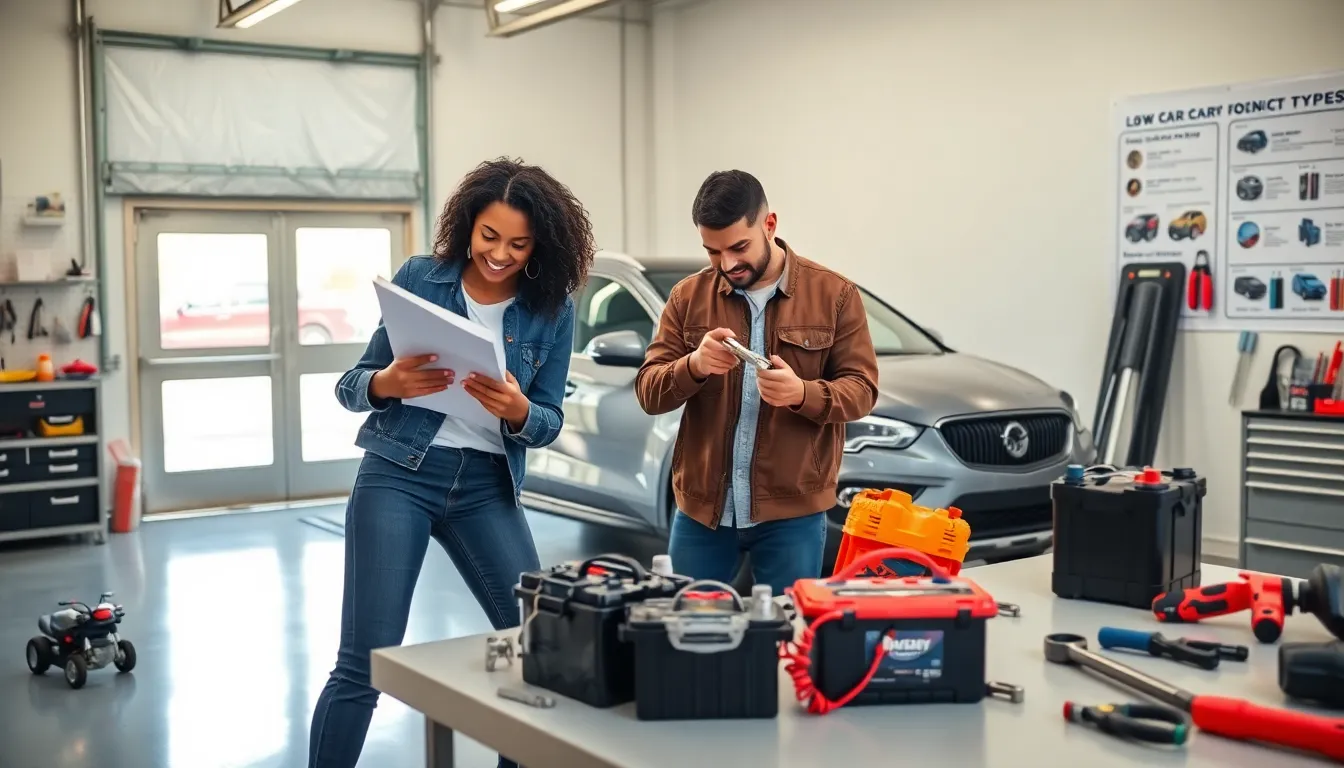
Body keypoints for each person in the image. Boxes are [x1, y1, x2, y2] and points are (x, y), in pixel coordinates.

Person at [309, 158, 594, 768]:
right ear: (468, 226)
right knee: (364, 660)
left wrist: (519, 409)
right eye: (490, 237)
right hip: (397, 476)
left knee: (537, 648)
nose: (500, 254)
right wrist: (386, 383)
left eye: (519, 244)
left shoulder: (553, 309)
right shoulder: (420, 278)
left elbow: (548, 421)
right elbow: (350, 384)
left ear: (539, 244)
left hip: (486, 487)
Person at [635, 169, 879, 593]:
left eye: (738, 247)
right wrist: (693, 365)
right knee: (688, 633)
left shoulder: (836, 296)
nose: (727, 264)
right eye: (713, 251)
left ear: (769, 224)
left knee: (787, 638)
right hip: (702, 514)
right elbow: (649, 393)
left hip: (793, 515)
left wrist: (803, 393)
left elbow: (862, 389)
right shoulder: (685, 298)